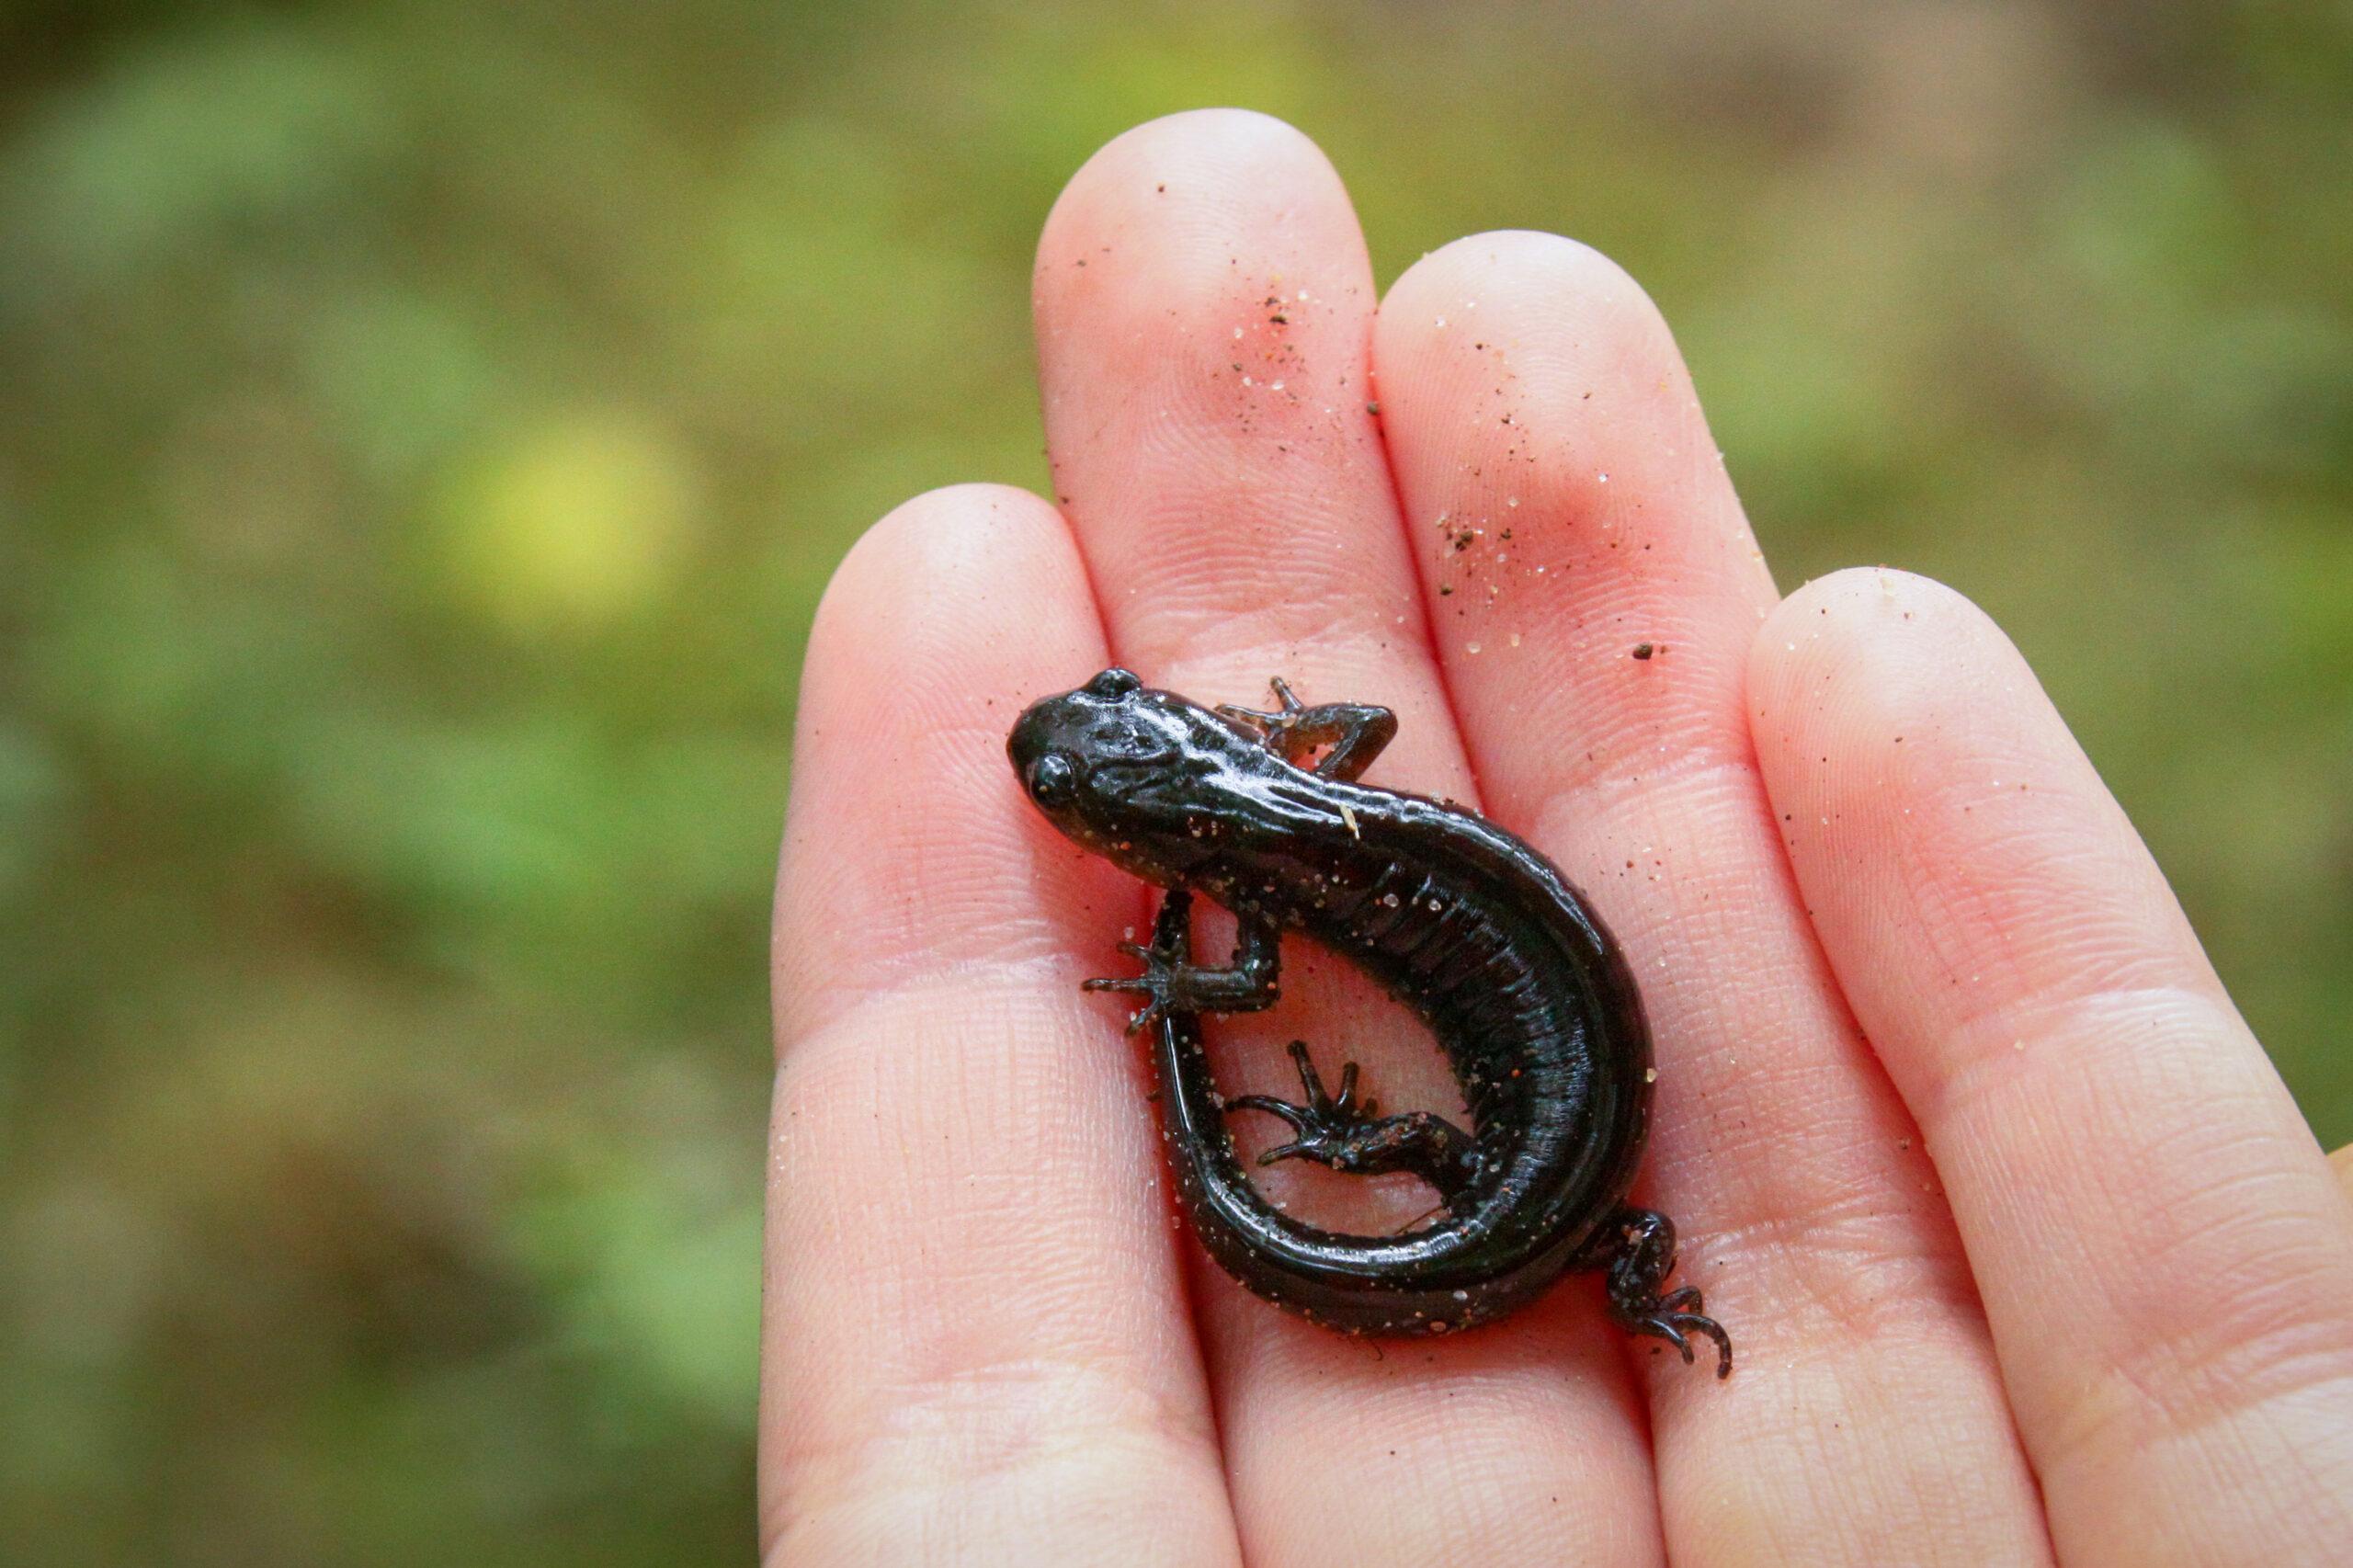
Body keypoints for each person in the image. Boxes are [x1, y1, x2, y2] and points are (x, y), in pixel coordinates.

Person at [759, 111, 2353, 1565]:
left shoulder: (1253, 874)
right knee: (1505, 1195)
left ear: (1167, 807)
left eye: (1105, 758)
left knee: (1489, 1192)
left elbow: (1252, 993)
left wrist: (1182, 1000)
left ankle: (1450, 1217)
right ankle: (1497, 1235)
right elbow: (1356, 749)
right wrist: (1274, 777)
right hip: (1544, 1180)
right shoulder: (1310, 805)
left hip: (1542, 1193)